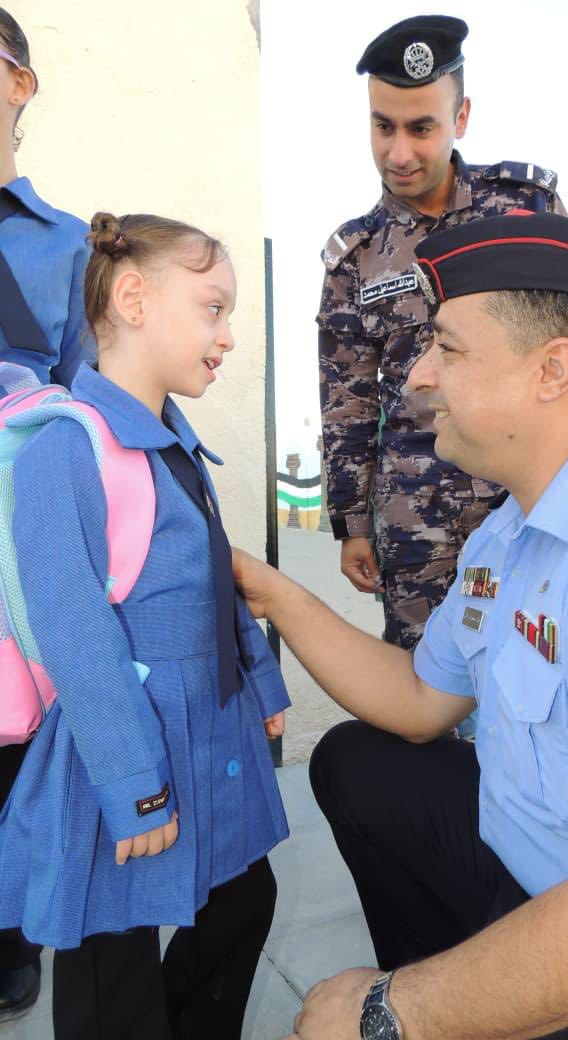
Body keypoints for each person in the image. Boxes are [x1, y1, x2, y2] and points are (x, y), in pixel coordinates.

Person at [235, 211, 568, 1038]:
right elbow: (421, 699)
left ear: (551, 370)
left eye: (448, 349)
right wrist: (272, 592)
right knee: (361, 765)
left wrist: (387, 1013)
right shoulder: (516, 527)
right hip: (541, 872)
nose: (418, 376)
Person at [0, 212, 290, 1040]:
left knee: (244, 899)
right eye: (213, 309)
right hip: (123, 751)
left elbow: (213, 576)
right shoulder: (66, 451)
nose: (227, 336)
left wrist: (263, 684)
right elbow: (78, 637)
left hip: (208, 729)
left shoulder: (173, 444)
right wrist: (137, 789)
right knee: (111, 963)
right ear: (132, 300)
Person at [318, 14, 565, 651]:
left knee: (537, 663)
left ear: (461, 117)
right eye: (383, 126)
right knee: (423, 680)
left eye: (421, 128)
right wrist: (352, 522)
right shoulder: (355, 257)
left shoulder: (524, 210)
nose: (399, 153)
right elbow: (347, 404)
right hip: (416, 517)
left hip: (526, 499)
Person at [0, 6, 96, 1022]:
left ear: (19, 83)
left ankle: (9, 932)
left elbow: (94, 413)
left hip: (15, 559)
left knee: (16, 744)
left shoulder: (72, 249)